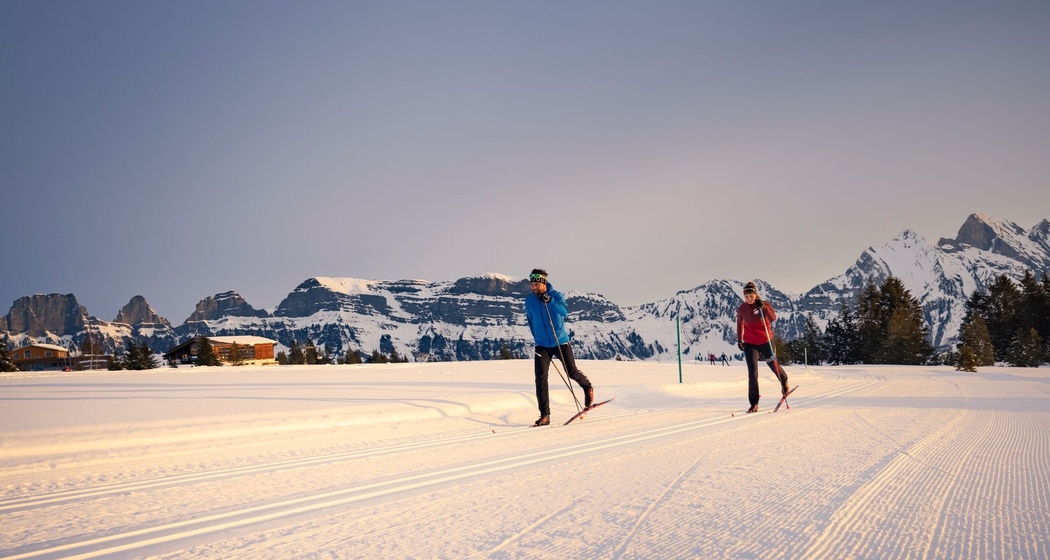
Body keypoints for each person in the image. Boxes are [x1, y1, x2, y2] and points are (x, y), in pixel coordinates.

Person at [524, 268, 594, 426]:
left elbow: (564, 312)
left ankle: (587, 386)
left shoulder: (556, 296)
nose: (533, 287)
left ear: (543, 283)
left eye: (536, 284)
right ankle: (545, 415)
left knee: (571, 372)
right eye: (532, 285)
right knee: (540, 379)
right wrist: (537, 337)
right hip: (541, 344)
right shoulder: (529, 300)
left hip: (560, 341)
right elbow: (530, 319)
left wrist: (550, 301)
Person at [735, 281, 789, 413]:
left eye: (751, 296)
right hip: (750, 343)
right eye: (746, 296)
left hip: (765, 341)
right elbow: (739, 323)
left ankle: (784, 380)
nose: (749, 299)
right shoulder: (742, 308)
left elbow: (773, 317)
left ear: (755, 294)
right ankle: (754, 403)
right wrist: (740, 339)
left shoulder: (762, 304)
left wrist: (764, 307)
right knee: (752, 373)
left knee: (773, 366)